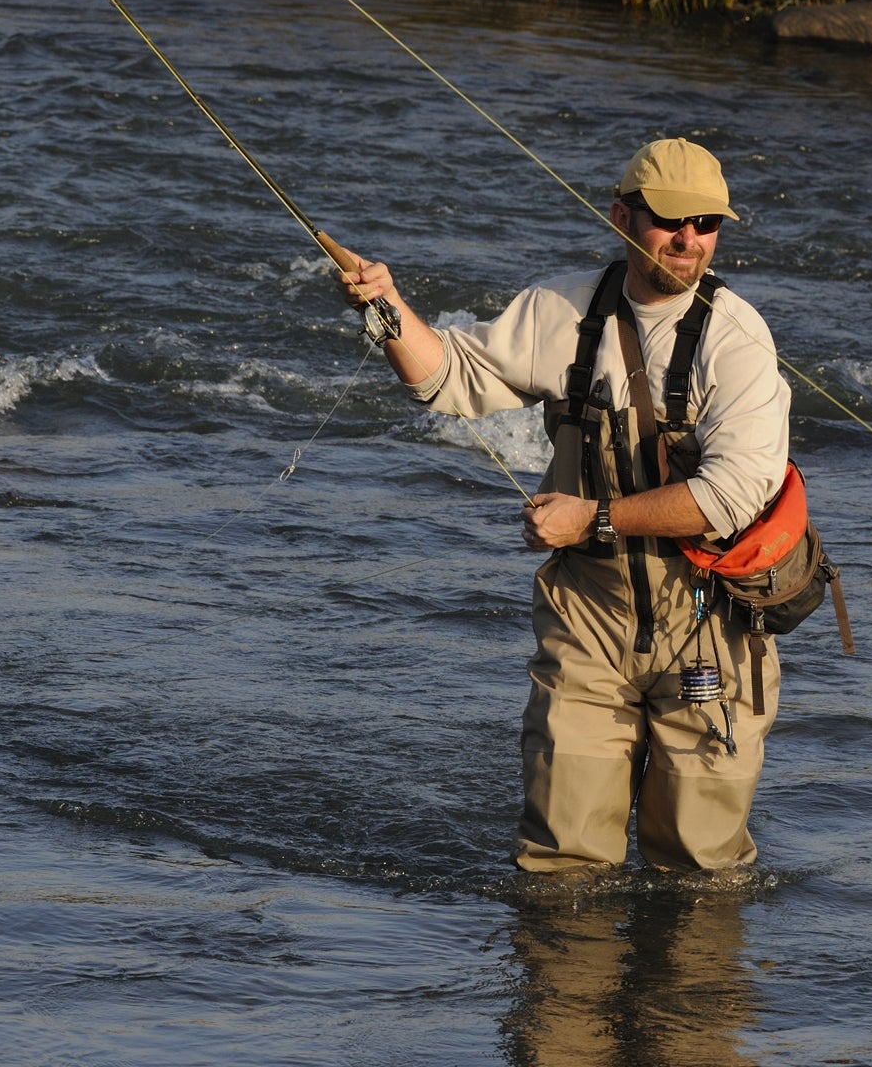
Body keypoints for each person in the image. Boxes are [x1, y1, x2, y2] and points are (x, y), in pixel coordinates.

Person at [337, 138, 790, 872]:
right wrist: (385, 309)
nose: (689, 240)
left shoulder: (737, 339)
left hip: (713, 623)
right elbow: (447, 379)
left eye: (707, 224)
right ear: (620, 217)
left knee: (700, 876)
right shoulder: (560, 311)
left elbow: (731, 496)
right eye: (671, 220)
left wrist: (593, 519)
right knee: (562, 869)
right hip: (589, 620)